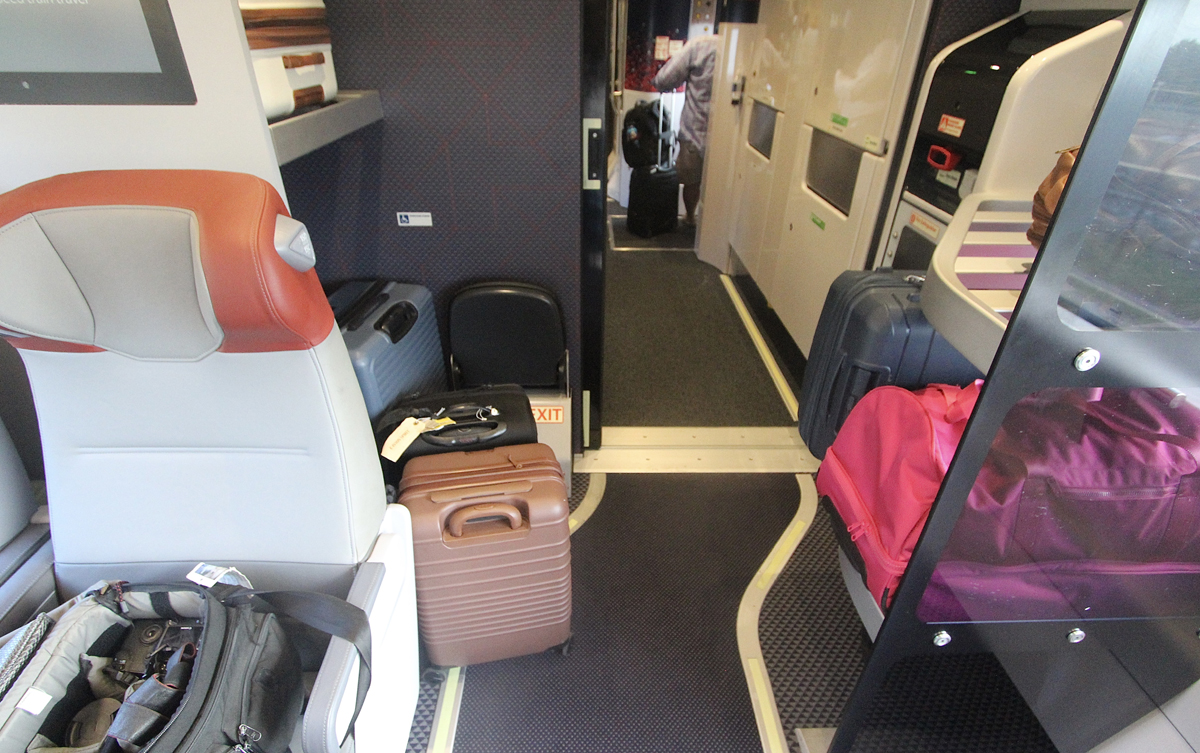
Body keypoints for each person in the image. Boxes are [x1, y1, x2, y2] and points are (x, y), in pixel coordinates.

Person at [652, 35, 719, 225]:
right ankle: (714, 227)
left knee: (692, 181)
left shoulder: (700, 45)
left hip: (696, 130)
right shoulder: (752, 44)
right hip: (732, 133)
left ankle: (690, 218)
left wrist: (656, 83)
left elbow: (665, 79)